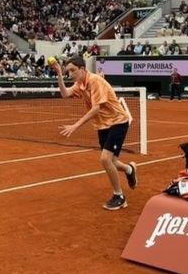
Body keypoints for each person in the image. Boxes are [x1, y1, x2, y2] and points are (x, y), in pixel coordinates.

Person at [52, 56, 137, 211]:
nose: (70, 74)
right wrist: (58, 73)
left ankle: (119, 196)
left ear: (83, 69)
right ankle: (129, 169)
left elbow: (96, 108)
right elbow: (65, 93)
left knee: (105, 159)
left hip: (117, 121)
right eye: (68, 71)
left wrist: (75, 125)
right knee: (113, 161)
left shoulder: (95, 81)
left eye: (73, 70)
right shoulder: (80, 84)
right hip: (102, 125)